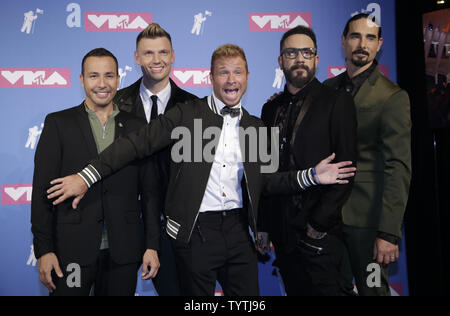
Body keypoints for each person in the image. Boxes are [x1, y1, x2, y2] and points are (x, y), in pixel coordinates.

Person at [45, 44, 356, 296]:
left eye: (237, 72)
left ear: (248, 76)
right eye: (223, 73)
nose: (231, 80)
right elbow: (135, 145)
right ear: (211, 77)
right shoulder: (186, 115)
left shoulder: (255, 127)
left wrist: (312, 176)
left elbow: (269, 182)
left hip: (237, 233)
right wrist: (86, 176)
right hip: (195, 234)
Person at [31, 48, 161, 296]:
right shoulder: (58, 124)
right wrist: (44, 250)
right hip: (71, 253)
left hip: (123, 253)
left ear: (118, 79)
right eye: (93, 76)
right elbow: (41, 194)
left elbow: (150, 193)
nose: (102, 84)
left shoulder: (138, 126)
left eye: (109, 76)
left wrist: (152, 246)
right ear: (81, 80)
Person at [258, 25, 358, 296]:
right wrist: (264, 226)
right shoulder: (270, 109)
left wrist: (318, 225)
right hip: (283, 237)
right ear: (280, 61)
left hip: (320, 237)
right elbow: (265, 173)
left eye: (307, 52)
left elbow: (347, 170)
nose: (299, 58)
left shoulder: (337, 102)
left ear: (316, 59)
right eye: (291, 53)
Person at [323, 13, 411, 296]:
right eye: (355, 36)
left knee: (372, 292)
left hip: (369, 226)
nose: (362, 44)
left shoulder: (392, 96)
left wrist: (388, 233)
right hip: (329, 221)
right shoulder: (326, 91)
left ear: (379, 44)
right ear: (343, 42)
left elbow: (398, 166)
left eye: (370, 37)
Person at [114, 23, 197, 296]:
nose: (157, 59)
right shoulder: (115, 104)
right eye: (148, 53)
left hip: (175, 226)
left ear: (173, 55)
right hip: (124, 222)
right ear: (136, 58)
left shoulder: (194, 107)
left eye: (163, 52)